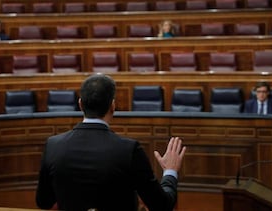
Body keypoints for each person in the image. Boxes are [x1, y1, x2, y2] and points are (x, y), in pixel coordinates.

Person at [36, 74, 186, 211]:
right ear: (112, 106)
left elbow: (43, 202)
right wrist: (170, 171)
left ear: (80, 104)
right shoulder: (129, 150)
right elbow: (162, 206)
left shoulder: (53, 145)